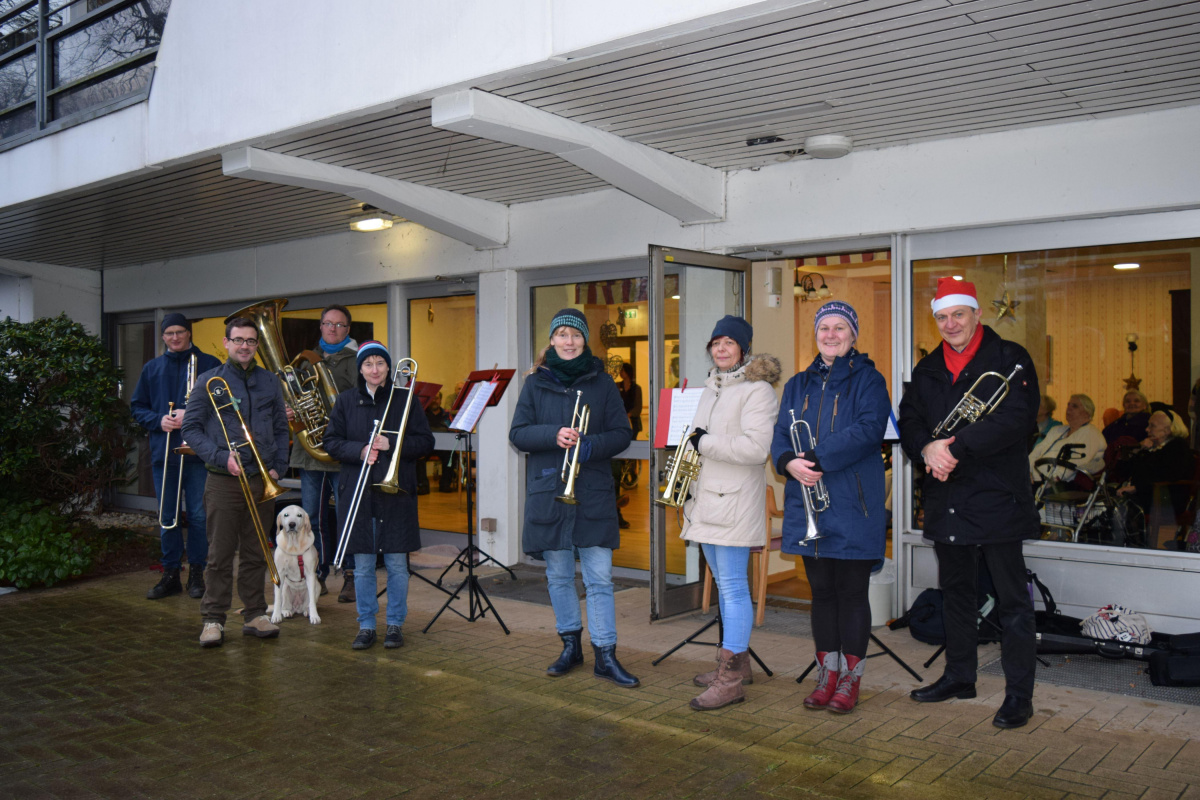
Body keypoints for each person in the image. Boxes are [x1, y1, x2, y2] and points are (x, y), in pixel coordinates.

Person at [898, 278, 1040, 729]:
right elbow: (910, 419)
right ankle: (960, 676)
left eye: (958, 314)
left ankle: (1019, 696)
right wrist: (926, 450)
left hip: (997, 496)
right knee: (956, 594)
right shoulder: (927, 368)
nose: (950, 324)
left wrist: (953, 449)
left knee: (1012, 603)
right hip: (948, 496)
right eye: (941, 317)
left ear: (977, 314)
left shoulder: (1011, 358)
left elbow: (1018, 419)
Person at [509, 308, 639, 688]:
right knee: (559, 576)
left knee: (599, 577)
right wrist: (554, 435)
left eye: (575, 335)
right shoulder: (535, 384)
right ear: (551, 340)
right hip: (550, 491)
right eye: (562, 334)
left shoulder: (602, 383)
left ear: (584, 341)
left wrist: (589, 446)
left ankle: (605, 654)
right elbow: (518, 434)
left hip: (592, 491)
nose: (569, 341)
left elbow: (622, 433)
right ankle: (570, 646)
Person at [771, 302, 890, 714]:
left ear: (853, 335)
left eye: (841, 328)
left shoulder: (870, 380)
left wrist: (816, 459)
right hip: (810, 506)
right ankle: (828, 675)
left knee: (852, 594)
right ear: (816, 335)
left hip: (854, 503)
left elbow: (869, 430)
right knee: (821, 595)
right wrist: (788, 461)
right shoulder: (797, 383)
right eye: (825, 328)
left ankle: (851, 680)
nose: (832, 334)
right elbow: (781, 434)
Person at [678, 316, 780, 710]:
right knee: (723, 583)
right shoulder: (711, 387)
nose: (721, 349)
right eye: (716, 342)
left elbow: (756, 450)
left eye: (729, 343)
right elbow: (697, 439)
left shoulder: (757, 391)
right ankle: (737, 660)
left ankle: (731, 678)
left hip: (734, 502)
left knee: (735, 588)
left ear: (744, 349)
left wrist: (704, 444)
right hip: (706, 500)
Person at [182, 317, 292, 648]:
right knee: (219, 553)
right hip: (224, 480)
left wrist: (278, 467)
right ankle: (213, 619)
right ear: (227, 342)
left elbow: (280, 427)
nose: (244, 346)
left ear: (257, 346)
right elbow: (190, 429)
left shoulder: (269, 381)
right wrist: (219, 457)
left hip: (262, 479)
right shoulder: (209, 381)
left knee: (257, 550)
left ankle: (255, 614)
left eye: (251, 341)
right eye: (238, 340)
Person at [323, 341, 434, 650]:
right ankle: (367, 625)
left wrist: (392, 445)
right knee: (363, 565)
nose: (375, 370)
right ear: (360, 369)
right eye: (368, 364)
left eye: (380, 364)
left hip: (395, 493)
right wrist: (360, 450)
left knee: (398, 565)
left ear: (389, 368)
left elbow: (425, 442)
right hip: (358, 492)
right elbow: (331, 442)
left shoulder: (405, 399)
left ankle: (395, 624)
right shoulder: (345, 401)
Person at [130, 313, 221, 600]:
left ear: (189, 333)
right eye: (169, 333)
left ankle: (197, 572)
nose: (175, 337)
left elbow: (223, 405)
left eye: (180, 332)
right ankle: (170, 573)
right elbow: (137, 407)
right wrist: (159, 420)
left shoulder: (209, 364)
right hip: (164, 451)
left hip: (197, 454)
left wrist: (191, 415)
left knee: (197, 514)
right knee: (166, 515)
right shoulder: (152, 368)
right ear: (163, 336)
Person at [287, 304, 359, 603]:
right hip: (311, 454)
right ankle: (317, 574)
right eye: (328, 324)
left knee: (346, 517)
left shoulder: (357, 361)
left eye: (339, 325)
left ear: (348, 329)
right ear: (320, 326)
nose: (333, 329)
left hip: (342, 451)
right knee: (311, 519)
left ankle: (351, 575)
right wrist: (291, 411)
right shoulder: (304, 362)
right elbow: (295, 398)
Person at [1116, 409, 1194, 515]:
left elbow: (1168, 475)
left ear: (1168, 430)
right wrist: (1138, 451)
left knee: (1116, 508)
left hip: (1165, 498)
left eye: (1152, 426)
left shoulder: (1178, 447)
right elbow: (1123, 472)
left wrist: (1137, 488)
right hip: (1146, 493)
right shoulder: (1153, 447)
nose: (1147, 429)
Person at [1028, 394, 1106, 484]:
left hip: (1057, 483)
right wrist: (1027, 471)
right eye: (1068, 405)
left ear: (1087, 413)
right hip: (1034, 477)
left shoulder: (1091, 434)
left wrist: (1052, 479)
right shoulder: (1057, 430)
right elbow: (1036, 452)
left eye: (1075, 406)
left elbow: (1075, 463)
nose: (1069, 408)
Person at [613, 362, 643, 529]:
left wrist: (629, 414)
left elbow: (638, 406)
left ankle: (630, 475)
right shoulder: (616, 386)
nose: (621, 373)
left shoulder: (636, 388)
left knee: (630, 453)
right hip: (619, 424)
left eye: (623, 370)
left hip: (632, 423)